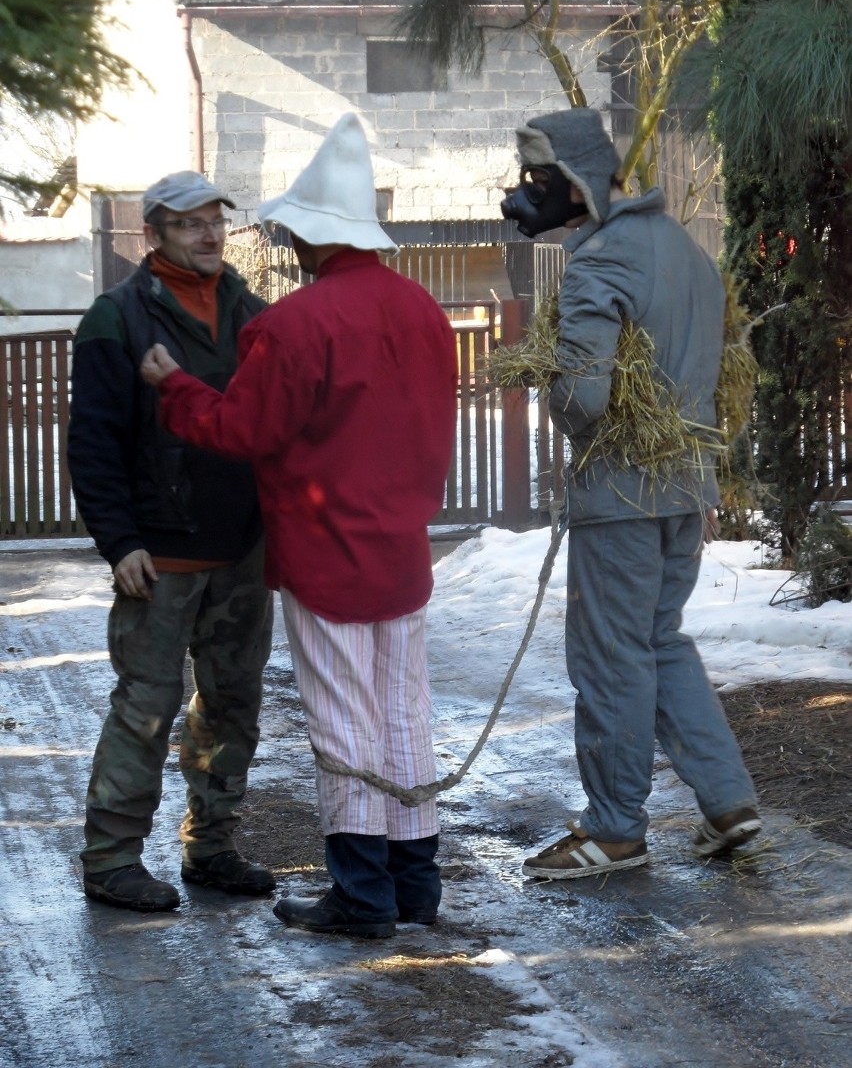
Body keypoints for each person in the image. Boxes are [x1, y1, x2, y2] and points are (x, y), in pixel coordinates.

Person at [140, 113, 459, 938]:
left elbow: (242, 432)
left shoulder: (292, 325)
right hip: (402, 549)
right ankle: (414, 885)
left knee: (343, 717)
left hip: (326, 552)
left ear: (310, 236)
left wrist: (175, 386)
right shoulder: (424, 310)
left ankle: (360, 896)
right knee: (403, 710)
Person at [500, 108, 761, 879]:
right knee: (659, 642)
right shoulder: (684, 248)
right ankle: (728, 803)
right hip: (685, 483)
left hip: (620, 490)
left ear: (577, 180)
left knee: (611, 657)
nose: (525, 196)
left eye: (538, 181)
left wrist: (550, 389)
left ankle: (614, 829)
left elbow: (584, 396)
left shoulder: (601, 261)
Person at [67, 170, 275, 912]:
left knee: (233, 703)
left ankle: (212, 845)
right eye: (190, 224)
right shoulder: (115, 317)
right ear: (153, 233)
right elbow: (92, 443)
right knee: (146, 707)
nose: (209, 234)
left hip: (241, 548)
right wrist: (118, 540)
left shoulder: (252, 312)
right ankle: (112, 858)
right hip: (157, 554)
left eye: (216, 220)